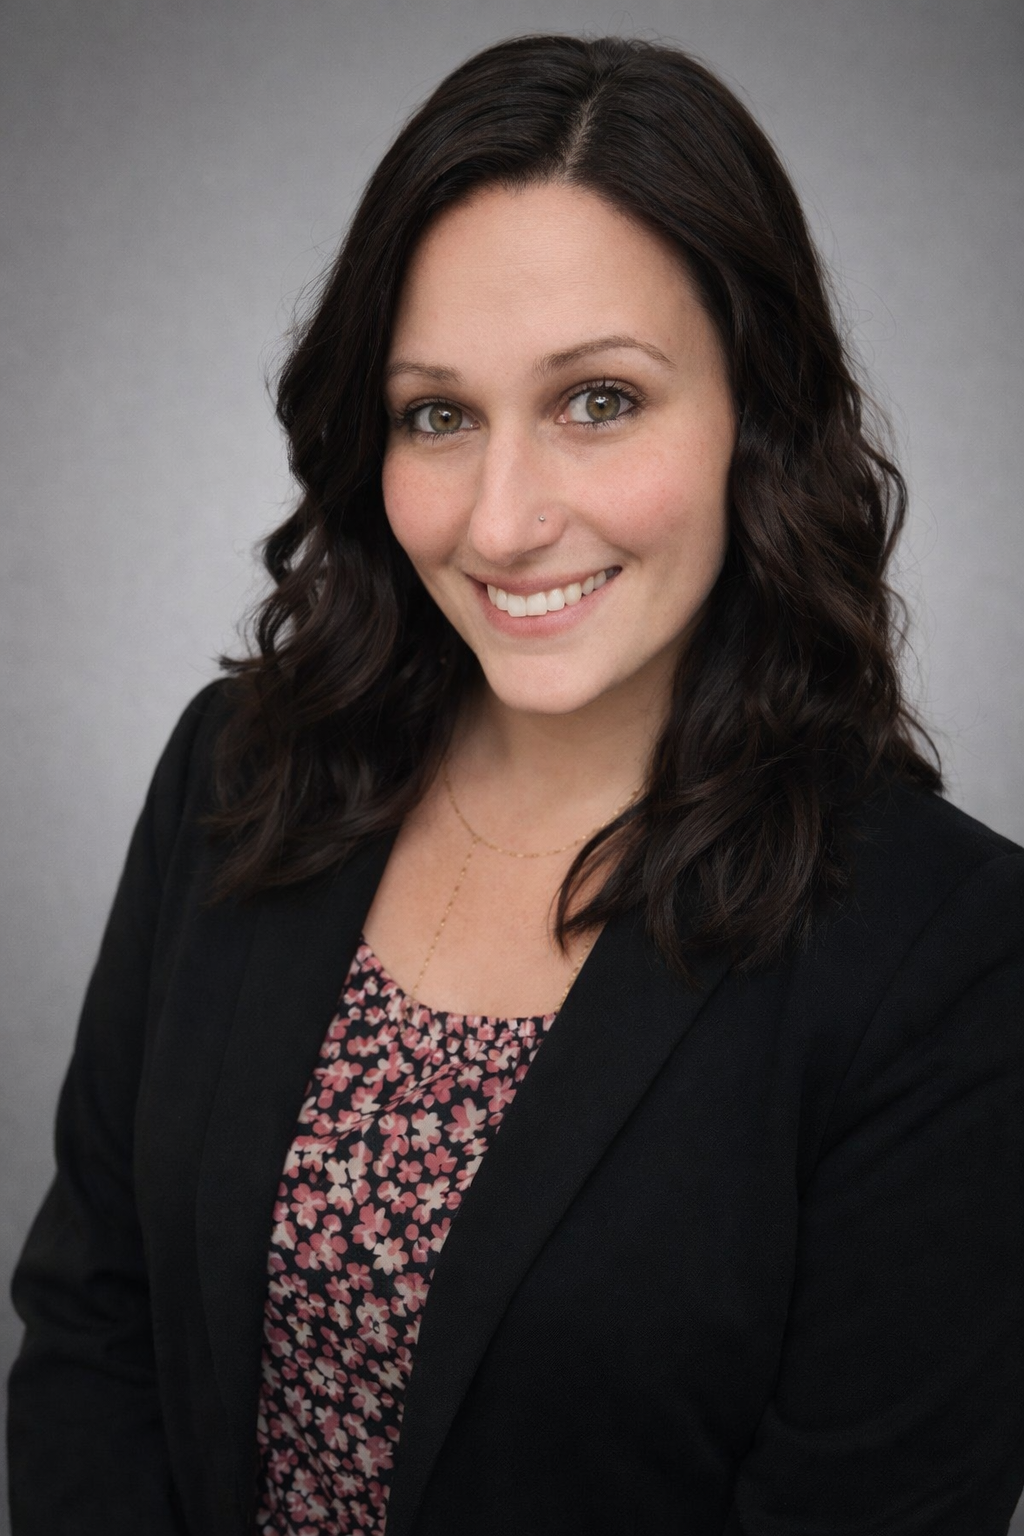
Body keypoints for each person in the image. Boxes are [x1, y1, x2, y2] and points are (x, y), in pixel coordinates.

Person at [7, 31, 1024, 1536]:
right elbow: (96, 1330)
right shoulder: (240, 772)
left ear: (760, 407)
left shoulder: (949, 951)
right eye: (438, 415)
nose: (501, 519)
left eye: (598, 400)